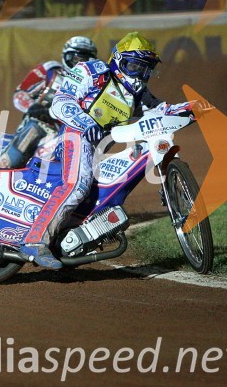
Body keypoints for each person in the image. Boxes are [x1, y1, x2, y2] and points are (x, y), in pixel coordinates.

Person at [19, 32, 201, 269]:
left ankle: (70, 237)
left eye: (145, 69)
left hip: (99, 147)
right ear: (118, 60)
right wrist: (86, 123)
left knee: (103, 197)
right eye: (134, 65)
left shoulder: (137, 93)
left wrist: (194, 106)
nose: (139, 75)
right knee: (77, 184)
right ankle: (35, 241)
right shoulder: (92, 71)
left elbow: (161, 110)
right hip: (74, 135)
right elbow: (61, 101)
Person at [0, 36, 98, 170]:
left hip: (69, 132)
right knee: (33, 131)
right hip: (42, 125)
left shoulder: (94, 84)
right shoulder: (51, 71)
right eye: (76, 59)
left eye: (85, 60)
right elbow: (20, 93)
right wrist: (33, 107)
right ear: (67, 56)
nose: (80, 63)